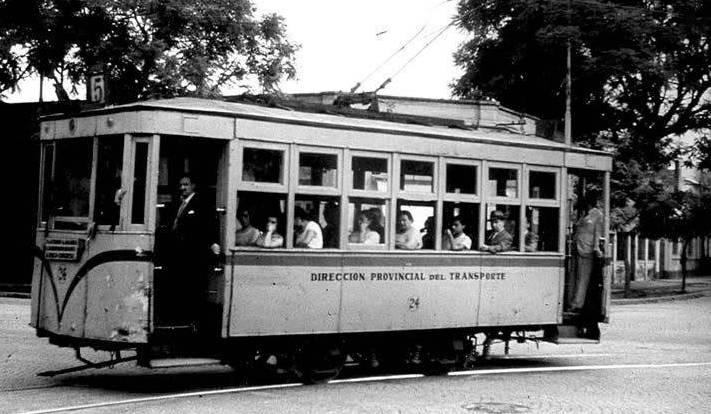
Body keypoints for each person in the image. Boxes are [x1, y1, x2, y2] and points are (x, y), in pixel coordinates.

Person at [165, 174, 220, 328]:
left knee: (192, 293)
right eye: (181, 185)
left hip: (193, 259)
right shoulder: (179, 204)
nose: (182, 188)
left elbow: (206, 229)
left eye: (186, 184)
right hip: (180, 257)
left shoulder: (201, 204)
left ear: (193, 186)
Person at [569, 192, 604, 312]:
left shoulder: (597, 215)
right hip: (577, 247)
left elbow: (597, 233)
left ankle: (577, 303)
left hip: (586, 249)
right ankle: (572, 301)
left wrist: (596, 247)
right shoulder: (583, 214)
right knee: (575, 276)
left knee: (582, 278)